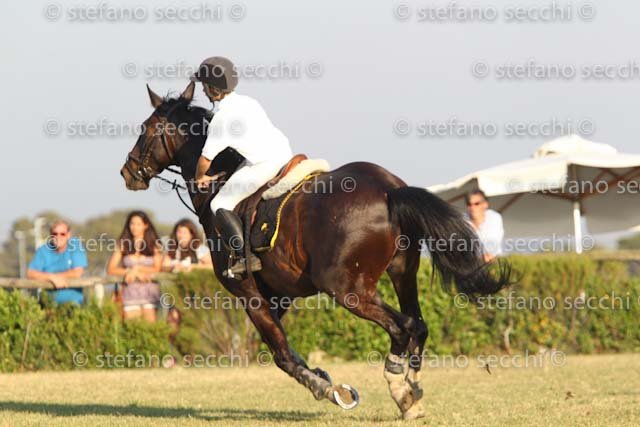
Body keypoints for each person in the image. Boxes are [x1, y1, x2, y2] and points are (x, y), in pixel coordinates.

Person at [191, 56, 293, 277]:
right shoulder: (249, 101)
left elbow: (205, 160)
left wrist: (199, 178)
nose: (203, 90)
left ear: (211, 88)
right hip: (285, 153)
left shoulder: (221, 118)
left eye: (204, 86)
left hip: (263, 165)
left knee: (219, 203)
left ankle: (245, 256)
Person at [107, 211, 163, 322]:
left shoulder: (154, 245)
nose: (134, 227)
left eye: (138, 224)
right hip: (129, 294)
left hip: (150, 294)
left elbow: (157, 268)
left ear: (145, 225)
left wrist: (137, 269)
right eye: (132, 224)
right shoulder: (123, 244)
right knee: (131, 328)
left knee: (150, 329)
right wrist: (130, 271)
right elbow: (111, 269)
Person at [27, 220, 88, 305]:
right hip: (48, 305)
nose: (58, 237)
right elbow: (31, 273)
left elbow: (77, 272)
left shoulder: (75, 245)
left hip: (74, 305)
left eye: (62, 234)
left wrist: (53, 277)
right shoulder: (43, 250)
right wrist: (52, 277)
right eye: (55, 234)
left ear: (68, 235)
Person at [465, 190, 504, 262]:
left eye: (476, 204)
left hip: (494, 261)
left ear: (485, 204)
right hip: (471, 262)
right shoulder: (462, 221)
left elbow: (492, 246)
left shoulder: (494, 217)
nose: (472, 207)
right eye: (469, 204)